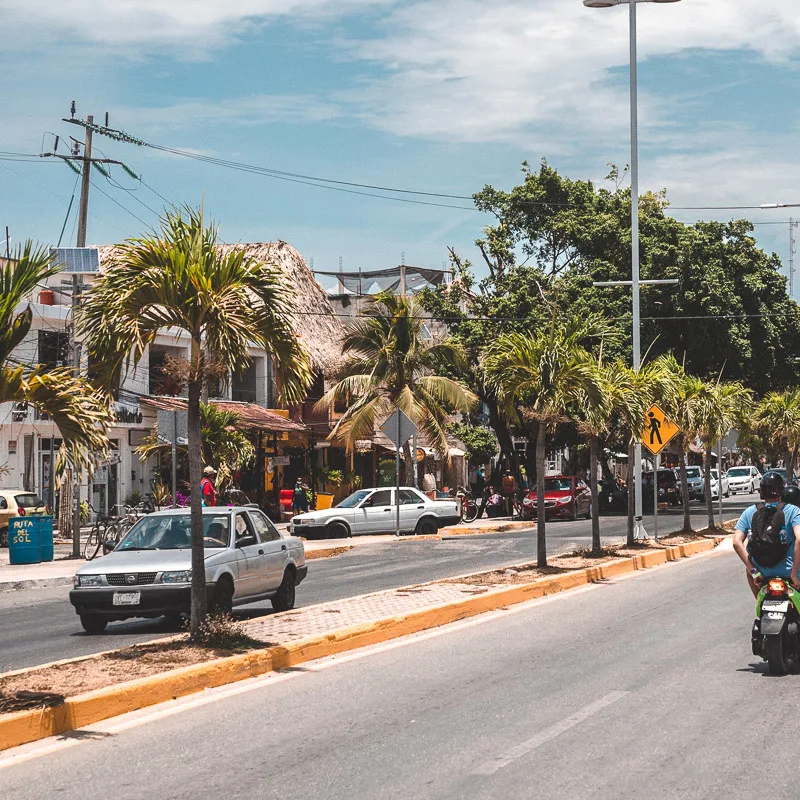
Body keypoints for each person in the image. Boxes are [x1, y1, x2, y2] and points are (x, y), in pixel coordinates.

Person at [733, 472, 800, 599]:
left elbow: (736, 542)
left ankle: (759, 602)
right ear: (781, 491)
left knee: (748, 572)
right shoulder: (792, 510)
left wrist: (754, 571)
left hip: (761, 571)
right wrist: (794, 574)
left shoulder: (750, 512)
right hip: (788, 571)